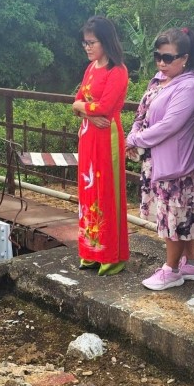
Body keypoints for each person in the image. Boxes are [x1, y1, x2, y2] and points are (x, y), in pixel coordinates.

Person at [127, 27, 194, 290]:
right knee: (180, 214)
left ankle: (171, 270)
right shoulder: (160, 79)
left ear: (184, 58)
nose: (162, 62)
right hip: (156, 159)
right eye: (158, 56)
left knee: (174, 215)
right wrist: (134, 133)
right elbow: (142, 113)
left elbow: (169, 125)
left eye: (168, 58)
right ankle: (191, 263)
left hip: (174, 162)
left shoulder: (188, 87)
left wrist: (136, 140)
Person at [74, 15, 130, 275]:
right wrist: (86, 111)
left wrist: (82, 108)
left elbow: (105, 107)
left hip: (108, 138)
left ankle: (111, 255)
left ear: (105, 41)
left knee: (106, 193)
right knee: (88, 191)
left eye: (91, 42)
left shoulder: (117, 71)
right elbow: (77, 102)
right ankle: (90, 252)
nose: (87, 47)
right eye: (85, 42)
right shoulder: (91, 68)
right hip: (88, 136)